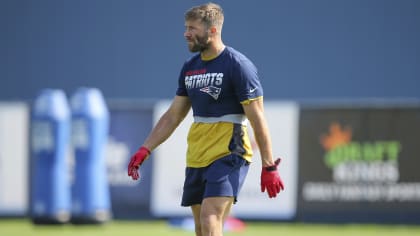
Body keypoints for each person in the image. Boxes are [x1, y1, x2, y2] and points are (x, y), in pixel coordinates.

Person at [127, 2, 284, 236]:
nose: (186, 33)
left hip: (230, 152)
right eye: (186, 27)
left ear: (212, 31)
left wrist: (269, 165)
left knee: (211, 217)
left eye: (192, 28)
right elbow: (173, 116)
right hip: (197, 154)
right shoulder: (190, 67)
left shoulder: (238, 65)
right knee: (201, 227)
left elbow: (257, 118)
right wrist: (145, 149)